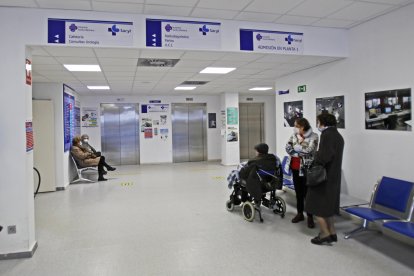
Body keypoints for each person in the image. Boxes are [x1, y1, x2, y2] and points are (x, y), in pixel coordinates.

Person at [305, 113, 344, 245]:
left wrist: (315, 157)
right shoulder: (338, 136)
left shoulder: (327, 135)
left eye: (318, 121)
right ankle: (332, 232)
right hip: (334, 176)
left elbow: (324, 157)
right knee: (328, 206)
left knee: (316, 205)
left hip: (323, 177)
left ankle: (324, 233)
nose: (317, 124)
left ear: (323, 122)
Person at [285, 118, 319, 228]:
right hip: (294, 168)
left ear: (302, 127)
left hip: (306, 169)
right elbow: (287, 147)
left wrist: (297, 148)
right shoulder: (294, 135)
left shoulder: (314, 136)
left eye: (296, 126)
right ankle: (300, 214)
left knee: (307, 194)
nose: (294, 127)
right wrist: (298, 151)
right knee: (298, 193)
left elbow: (310, 150)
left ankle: (310, 216)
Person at [239, 143, 281, 209]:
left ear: (258, 151)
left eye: (256, 150)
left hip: (258, 184)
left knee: (240, 182)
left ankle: (245, 200)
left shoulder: (254, 161)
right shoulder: (273, 158)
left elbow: (244, 173)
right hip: (270, 183)